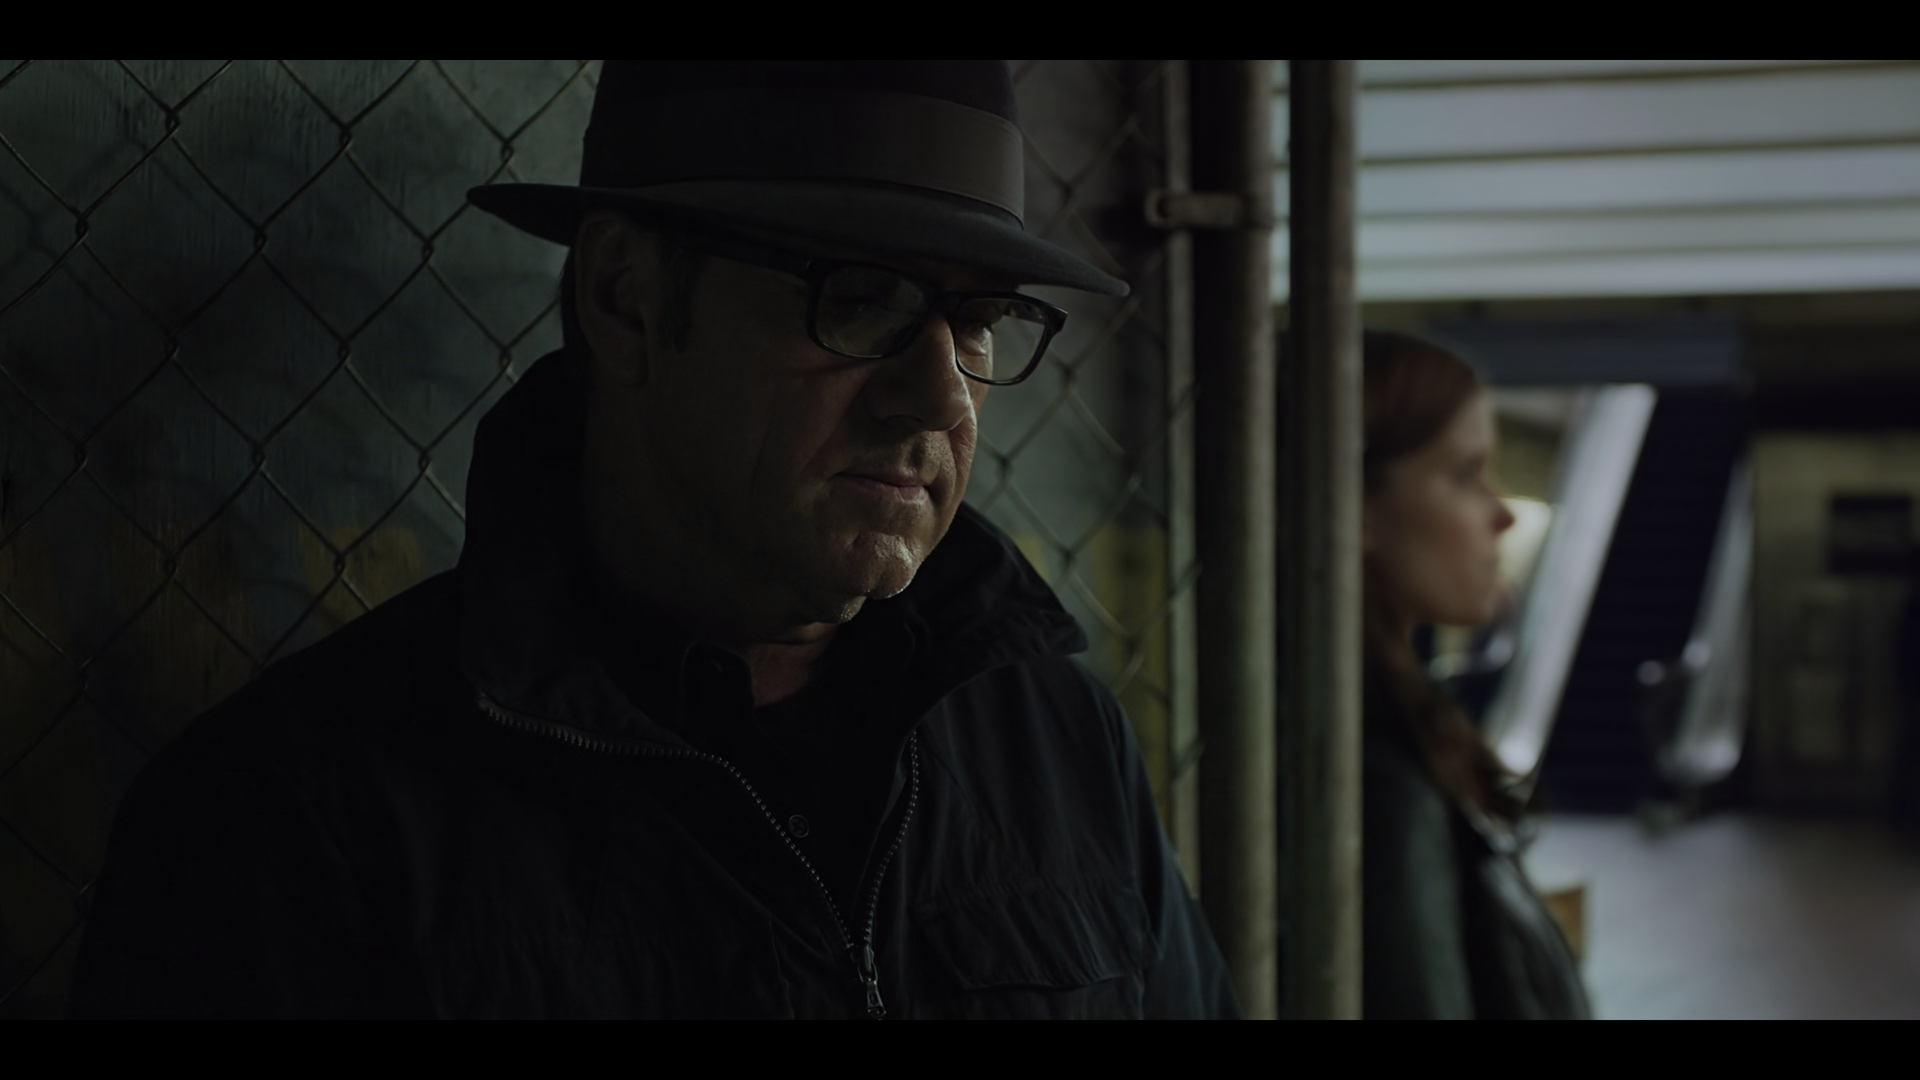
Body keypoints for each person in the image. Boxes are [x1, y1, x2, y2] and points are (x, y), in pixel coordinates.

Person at [68, 61, 1237, 1019]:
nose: (940, 398)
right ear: (624, 296)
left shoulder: (1058, 738)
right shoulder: (291, 821)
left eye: (978, 321)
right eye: (859, 296)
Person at [1358, 329, 1589, 1020]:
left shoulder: (1394, 728)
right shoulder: (1380, 778)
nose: (1503, 513)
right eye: (1465, 475)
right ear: (1357, 506)